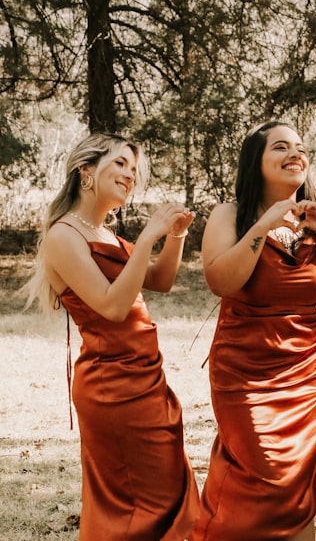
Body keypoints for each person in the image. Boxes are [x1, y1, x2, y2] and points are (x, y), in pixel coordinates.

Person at [22, 133, 200, 540]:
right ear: (86, 171)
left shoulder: (103, 233)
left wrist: (176, 235)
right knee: (140, 506)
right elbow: (112, 306)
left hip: (146, 378)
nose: (129, 175)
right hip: (112, 386)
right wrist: (149, 236)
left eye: (133, 170)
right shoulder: (63, 236)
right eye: (120, 163)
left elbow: (161, 280)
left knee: (168, 494)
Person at [195, 121, 316, 540]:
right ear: (256, 162)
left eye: (301, 148)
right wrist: (263, 226)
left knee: (299, 484)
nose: (295, 154)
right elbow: (222, 282)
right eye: (280, 147)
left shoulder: (314, 220)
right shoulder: (230, 215)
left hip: (306, 373)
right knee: (259, 473)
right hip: (246, 371)